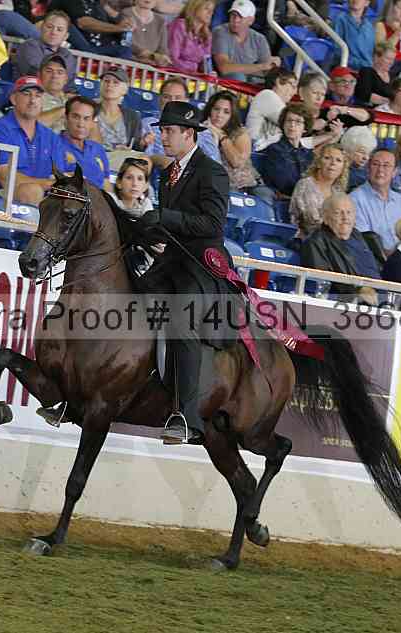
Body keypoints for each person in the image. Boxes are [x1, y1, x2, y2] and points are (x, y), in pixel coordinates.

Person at [133, 101, 231, 445]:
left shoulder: (212, 171)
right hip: (173, 260)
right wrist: (143, 229)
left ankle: (187, 417)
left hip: (202, 263)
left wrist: (165, 217)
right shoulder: (167, 173)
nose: (163, 137)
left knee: (181, 320)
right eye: (162, 131)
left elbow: (212, 224)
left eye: (169, 131)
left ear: (189, 134)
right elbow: (169, 227)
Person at [0, 76, 62, 205]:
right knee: (31, 191)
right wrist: (48, 184)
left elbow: (61, 173)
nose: (33, 100)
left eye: (37, 96)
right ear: (13, 99)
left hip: (44, 196)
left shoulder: (50, 136)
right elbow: (6, 178)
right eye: (26, 94)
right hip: (0, 194)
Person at [300, 193, 382, 304]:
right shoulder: (316, 242)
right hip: (348, 302)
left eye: (349, 212)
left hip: (379, 296)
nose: (345, 218)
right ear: (325, 218)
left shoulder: (358, 236)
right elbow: (322, 283)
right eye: (338, 213)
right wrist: (359, 290)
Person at [203, 91, 272, 203]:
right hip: (222, 186)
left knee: (264, 197)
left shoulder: (240, 133)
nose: (219, 115)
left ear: (232, 115)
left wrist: (221, 135)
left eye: (226, 112)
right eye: (216, 109)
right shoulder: (199, 131)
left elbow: (237, 162)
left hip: (250, 185)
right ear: (210, 110)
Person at [142, 78, 218, 171]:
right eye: (167, 97)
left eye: (178, 97)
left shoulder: (201, 131)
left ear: (187, 101)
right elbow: (146, 157)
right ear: (159, 99)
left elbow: (215, 161)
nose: (172, 101)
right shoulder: (148, 124)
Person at [351, 148, 401, 255]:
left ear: (394, 172)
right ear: (368, 168)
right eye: (376, 164)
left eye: (386, 165)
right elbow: (364, 243)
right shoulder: (355, 199)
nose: (380, 170)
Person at [256, 103, 314, 200]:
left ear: (305, 128)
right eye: (289, 120)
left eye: (298, 122)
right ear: (283, 124)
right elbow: (283, 182)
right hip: (281, 196)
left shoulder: (309, 154)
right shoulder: (274, 150)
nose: (292, 125)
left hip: (304, 197)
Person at [211, 0, 280, 82]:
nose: (236, 20)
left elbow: (267, 70)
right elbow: (224, 68)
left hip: (253, 82)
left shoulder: (259, 38)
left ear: (251, 20)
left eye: (241, 17)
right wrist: (261, 66)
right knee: (238, 76)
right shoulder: (220, 32)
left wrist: (274, 64)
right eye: (233, 15)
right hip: (225, 83)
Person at [289, 143, 349, 238]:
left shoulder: (339, 192)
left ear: (343, 168)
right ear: (318, 162)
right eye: (327, 158)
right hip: (308, 239)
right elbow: (312, 221)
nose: (333, 163)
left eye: (338, 160)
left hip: (333, 238)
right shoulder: (305, 185)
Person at [53, 96, 111, 189]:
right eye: (76, 117)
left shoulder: (98, 149)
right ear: (65, 118)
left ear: (92, 122)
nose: (81, 124)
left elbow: (106, 184)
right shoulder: (53, 146)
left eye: (86, 118)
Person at [50, 0, 134, 58]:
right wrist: (119, 28)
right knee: (123, 50)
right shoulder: (72, 1)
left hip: (100, 50)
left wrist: (122, 23)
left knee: (125, 50)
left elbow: (116, 28)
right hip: (82, 50)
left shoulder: (96, 4)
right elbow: (83, 23)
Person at [12, 11, 77, 83]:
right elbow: (34, 72)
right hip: (30, 88)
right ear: (41, 28)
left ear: (66, 36)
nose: (53, 32)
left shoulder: (68, 55)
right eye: (49, 27)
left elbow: (70, 81)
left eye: (59, 30)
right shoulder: (29, 46)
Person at [245, 68, 297, 151]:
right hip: (256, 151)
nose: (295, 92)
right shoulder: (267, 95)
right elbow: (294, 123)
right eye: (293, 86)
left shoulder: (279, 103)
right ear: (278, 82)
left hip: (268, 152)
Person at [95, 67, 144, 152]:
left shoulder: (132, 116)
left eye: (115, 82)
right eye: (106, 81)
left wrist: (143, 143)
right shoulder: (88, 110)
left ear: (125, 89)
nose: (110, 85)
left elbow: (135, 148)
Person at [167, 0, 214, 74]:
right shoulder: (179, 25)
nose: (210, 13)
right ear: (194, 7)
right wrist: (192, 69)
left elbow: (205, 64)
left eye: (212, 10)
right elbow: (172, 59)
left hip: (193, 76)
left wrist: (209, 73)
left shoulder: (207, 35)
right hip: (173, 74)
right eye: (206, 8)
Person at [123, 0, 171, 66]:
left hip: (151, 64)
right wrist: (150, 55)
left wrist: (163, 58)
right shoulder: (126, 13)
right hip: (127, 60)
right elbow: (126, 42)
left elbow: (163, 49)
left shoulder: (160, 20)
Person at [334, 0, 377, 71]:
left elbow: (369, 55)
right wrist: (360, 64)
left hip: (365, 69)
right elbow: (337, 50)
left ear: (367, 2)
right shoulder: (340, 19)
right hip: (345, 67)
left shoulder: (369, 27)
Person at [37, 55, 73, 133]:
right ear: (39, 75)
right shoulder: (32, 97)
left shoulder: (71, 101)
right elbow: (31, 125)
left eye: (60, 72)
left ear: (66, 79)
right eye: (49, 71)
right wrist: (65, 109)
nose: (54, 76)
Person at [340, 125, 378, 190]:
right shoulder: (338, 170)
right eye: (362, 152)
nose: (366, 158)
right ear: (349, 149)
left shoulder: (368, 171)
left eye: (369, 153)